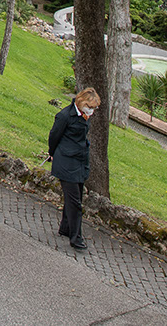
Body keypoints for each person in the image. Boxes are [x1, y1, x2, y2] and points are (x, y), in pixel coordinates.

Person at [48, 87, 99, 251]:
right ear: (82, 102)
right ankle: (76, 238)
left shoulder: (85, 117)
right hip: (66, 162)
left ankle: (65, 227)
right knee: (75, 202)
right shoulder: (64, 116)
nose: (91, 111)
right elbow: (54, 136)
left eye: (93, 108)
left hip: (79, 162)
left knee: (76, 197)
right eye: (90, 107)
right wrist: (52, 153)